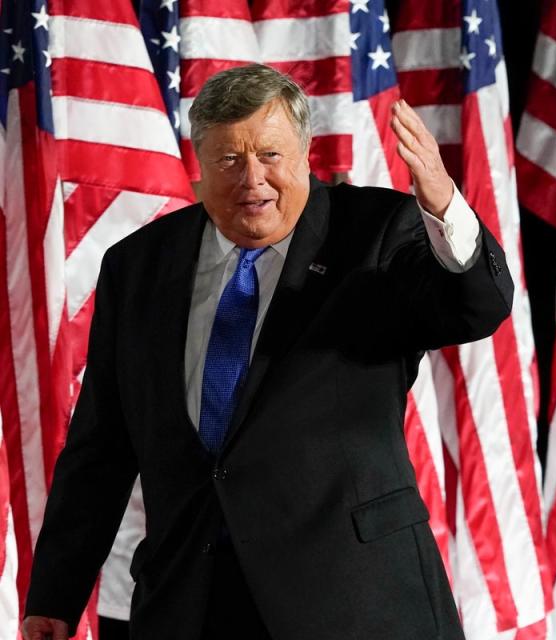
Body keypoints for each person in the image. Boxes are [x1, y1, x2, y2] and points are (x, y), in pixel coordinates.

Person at [21, 63, 513, 640]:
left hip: (352, 602)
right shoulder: (138, 266)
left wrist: (446, 207)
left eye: (271, 156)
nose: (252, 179)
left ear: (305, 155)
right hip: (191, 604)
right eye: (230, 159)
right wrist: (55, 593)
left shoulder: (375, 234)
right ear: (199, 168)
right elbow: (101, 446)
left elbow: (475, 307)